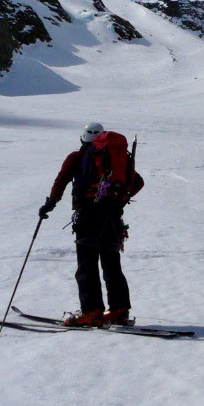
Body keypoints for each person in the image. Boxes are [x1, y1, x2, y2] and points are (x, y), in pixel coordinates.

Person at [38, 123, 144, 326]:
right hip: (113, 219)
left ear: (82, 138)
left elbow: (62, 180)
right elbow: (137, 181)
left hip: (88, 217)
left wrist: (49, 204)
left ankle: (91, 311)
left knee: (87, 266)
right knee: (112, 266)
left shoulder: (76, 158)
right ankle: (119, 310)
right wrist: (120, 198)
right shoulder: (116, 159)